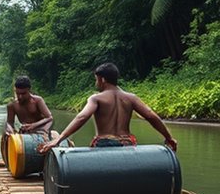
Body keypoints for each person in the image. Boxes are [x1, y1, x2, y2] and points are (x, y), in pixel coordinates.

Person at [39, 62, 177, 153]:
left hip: (105, 142)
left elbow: (82, 117)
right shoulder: (131, 98)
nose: (96, 83)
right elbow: (151, 116)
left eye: (96, 79)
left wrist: (59, 138)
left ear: (102, 79)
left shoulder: (96, 98)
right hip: (127, 143)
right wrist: (169, 137)